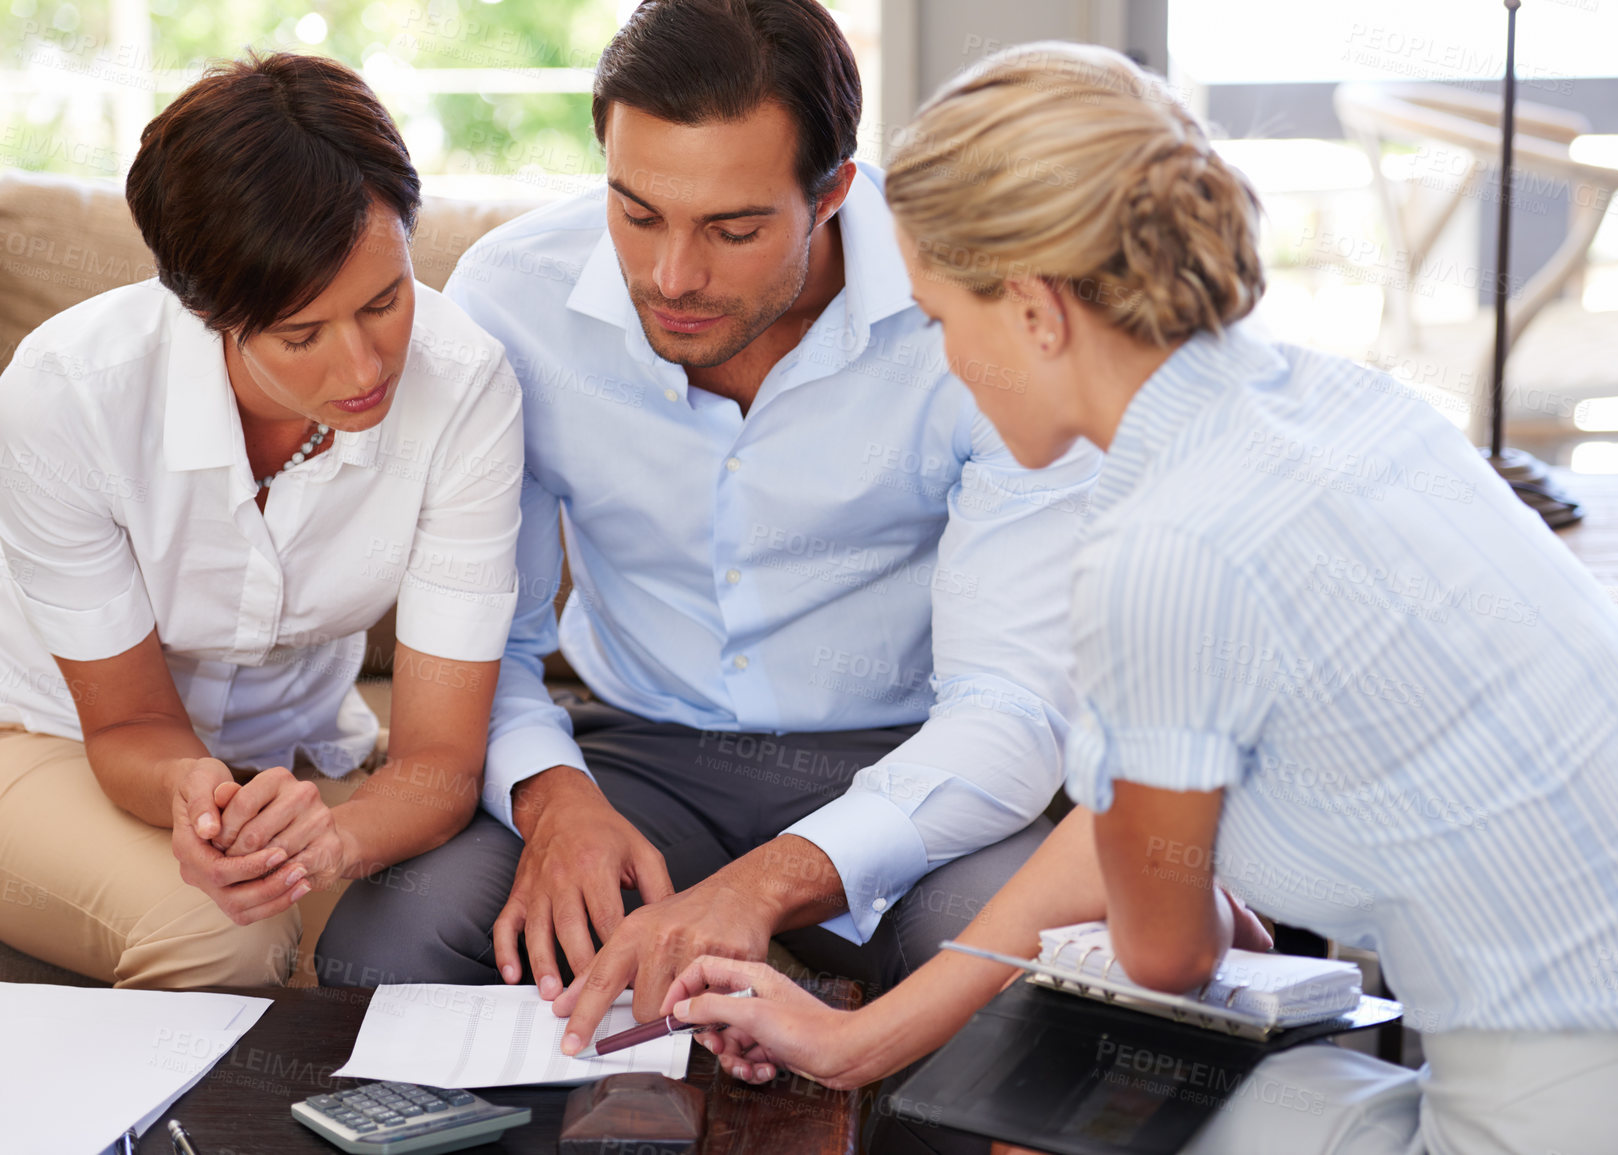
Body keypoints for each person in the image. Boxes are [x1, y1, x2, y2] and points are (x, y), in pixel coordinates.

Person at [662, 43, 1618, 1155]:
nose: (950, 366)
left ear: (1033, 309)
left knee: (1067, 1119)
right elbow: (1127, 827)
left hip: (1590, 1113)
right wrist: (860, 1042)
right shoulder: (1339, 405)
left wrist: (1190, 895)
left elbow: (1167, 944)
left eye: (940, 323)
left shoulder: (1161, 545)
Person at [316, 0, 1097, 1066]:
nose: (672, 276)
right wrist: (554, 802)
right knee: (395, 936)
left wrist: (759, 886)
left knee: (1029, 987)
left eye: (733, 230)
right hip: (638, 759)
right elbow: (485, 642)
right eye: (636, 213)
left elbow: (1010, 707)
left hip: (912, 765)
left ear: (833, 193)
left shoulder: (973, 317)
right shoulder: (516, 298)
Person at [0, 53, 525, 989]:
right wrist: (190, 793)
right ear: (206, 311)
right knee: (223, 935)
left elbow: (440, 758)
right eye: (300, 334)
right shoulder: (67, 398)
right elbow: (127, 728)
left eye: (384, 300)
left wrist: (330, 840)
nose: (364, 367)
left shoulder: (466, 383)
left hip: (301, 763)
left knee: (417, 948)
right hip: (53, 742)